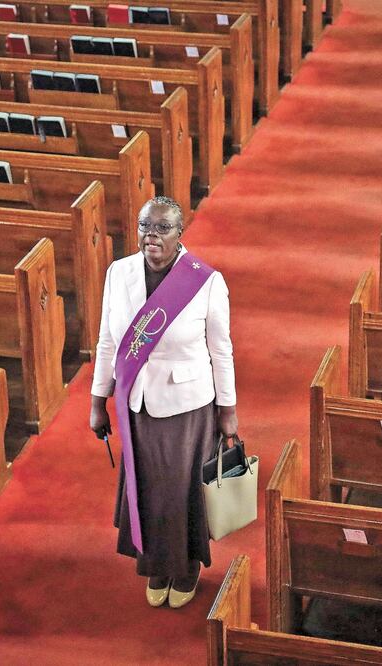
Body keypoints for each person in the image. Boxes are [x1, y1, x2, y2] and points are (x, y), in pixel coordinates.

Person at [89, 195, 237, 609]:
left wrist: (228, 411)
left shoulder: (206, 282)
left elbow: (221, 351)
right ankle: (155, 563)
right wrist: (98, 400)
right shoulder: (119, 273)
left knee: (179, 490)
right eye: (145, 226)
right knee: (147, 488)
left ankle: (185, 567)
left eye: (162, 228)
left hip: (187, 406)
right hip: (136, 402)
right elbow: (107, 341)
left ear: (180, 233)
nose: (151, 235)